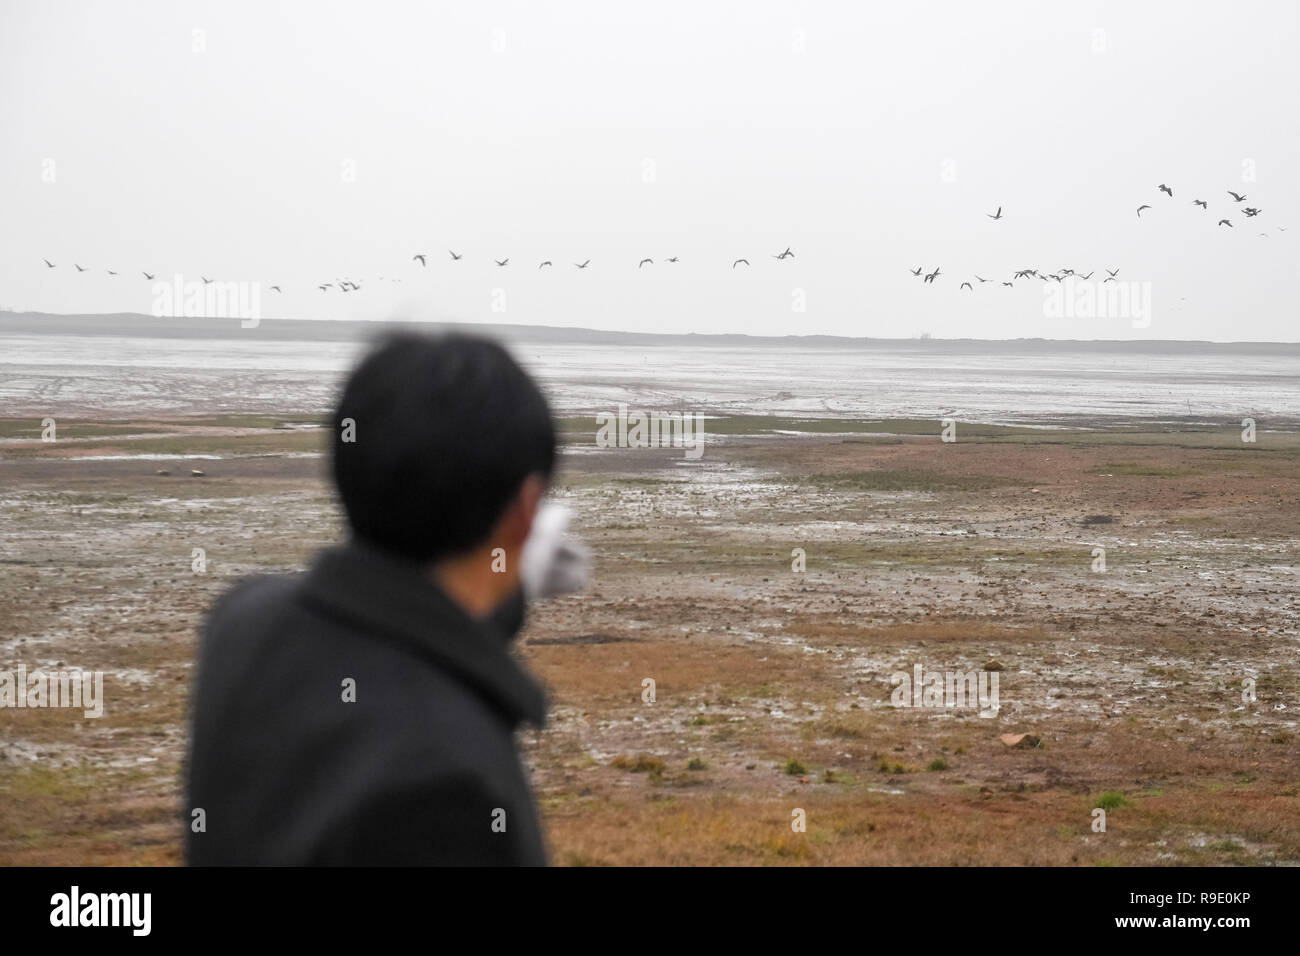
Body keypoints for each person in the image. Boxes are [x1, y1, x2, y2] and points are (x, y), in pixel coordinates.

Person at [185, 332, 586, 865]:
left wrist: (505, 586)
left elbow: (399, 635)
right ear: (527, 508)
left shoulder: (244, 619)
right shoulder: (448, 788)